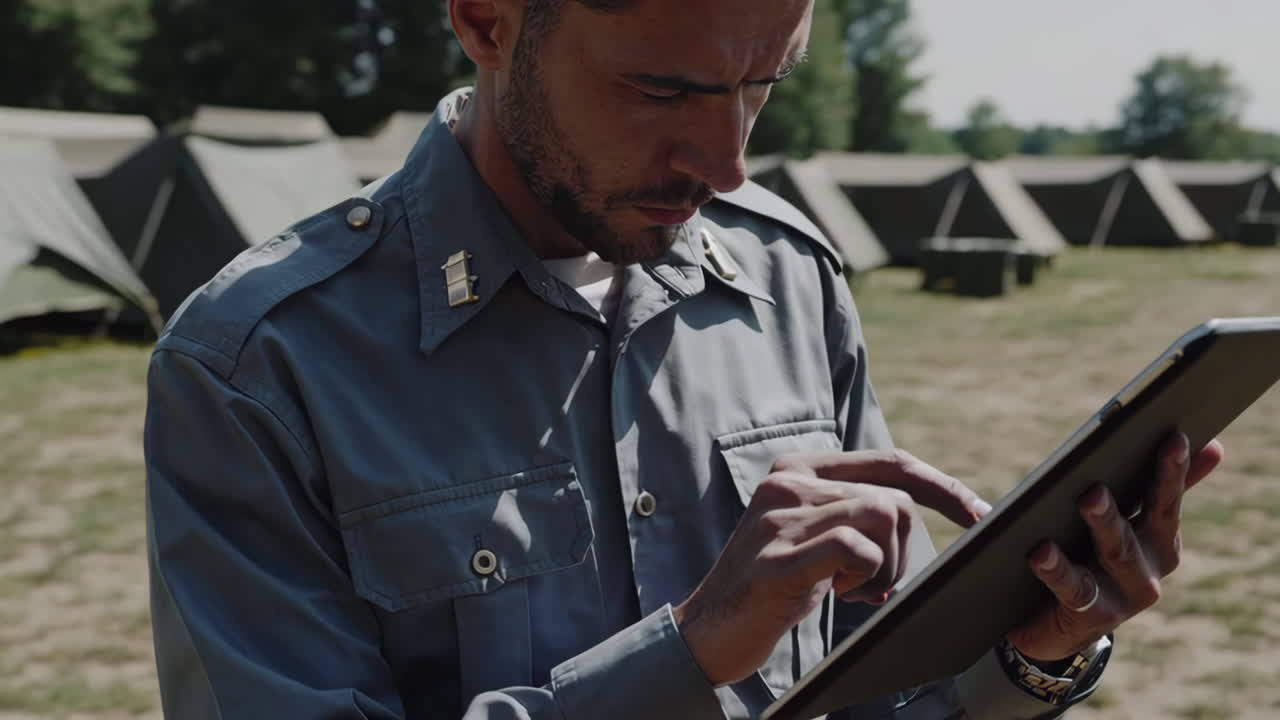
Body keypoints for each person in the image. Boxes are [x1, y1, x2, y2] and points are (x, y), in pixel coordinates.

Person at [143, 0, 1225, 718]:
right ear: (486, 19)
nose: (727, 159)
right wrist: (689, 652)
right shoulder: (260, 366)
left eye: (761, 82)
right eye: (662, 91)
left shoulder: (787, 280)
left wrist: (1028, 652)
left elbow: (865, 690)